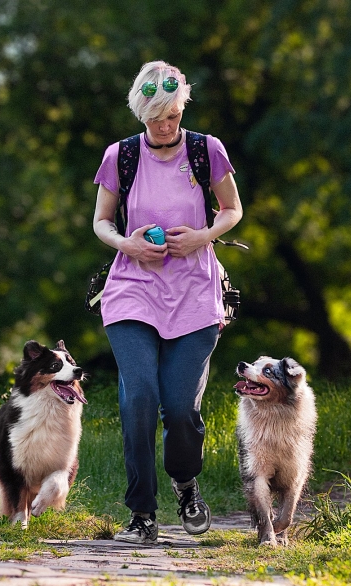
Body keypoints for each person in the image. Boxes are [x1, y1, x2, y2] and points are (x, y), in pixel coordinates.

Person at [91, 60, 244, 544]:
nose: (165, 125)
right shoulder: (121, 156)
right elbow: (101, 221)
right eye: (156, 116)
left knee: (179, 408)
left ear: (182, 108)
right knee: (139, 396)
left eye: (173, 115)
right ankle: (142, 514)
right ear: (141, 111)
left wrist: (202, 236)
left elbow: (232, 209)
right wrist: (128, 245)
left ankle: (185, 482)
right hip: (132, 290)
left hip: (196, 293)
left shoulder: (206, 151)